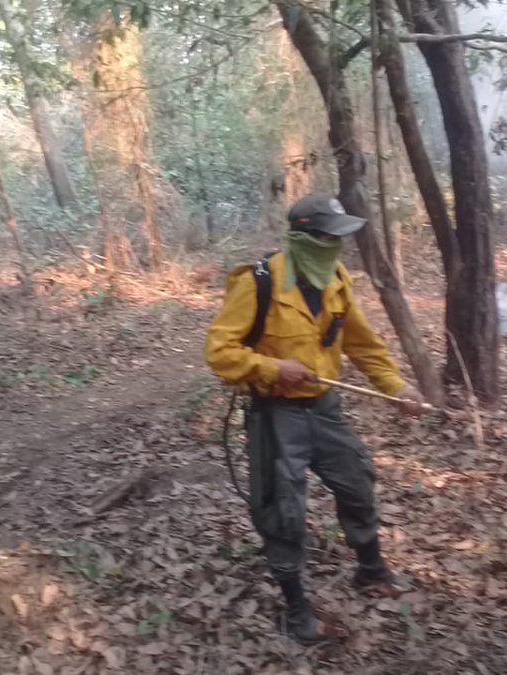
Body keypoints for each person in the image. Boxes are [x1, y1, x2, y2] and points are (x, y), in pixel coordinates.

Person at [204, 194, 425, 643]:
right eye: (330, 237)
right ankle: (297, 608)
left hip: (325, 408)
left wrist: (396, 387)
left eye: (340, 238)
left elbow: (362, 344)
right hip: (276, 415)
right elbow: (219, 352)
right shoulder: (259, 283)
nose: (337, 247)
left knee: (357, 481)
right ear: (304, 238)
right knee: (282, 509)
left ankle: (370, 568)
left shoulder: (336, 280)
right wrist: (271, 368)